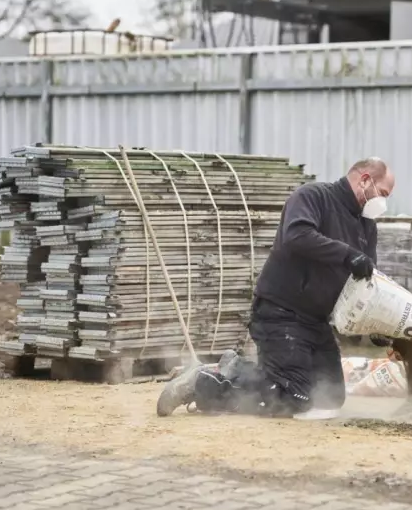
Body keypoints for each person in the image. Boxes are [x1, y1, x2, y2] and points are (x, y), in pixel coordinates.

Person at [157, 158, 396, 419]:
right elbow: (297, 236)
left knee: (330, 399)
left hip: (316, 323)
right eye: (382, 193)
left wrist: (377, 324)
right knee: (296, 398)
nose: (382, 203)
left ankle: (235, 369)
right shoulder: (313, 196)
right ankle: (203, 383)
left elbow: (366, 280)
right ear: (364, 180)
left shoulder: (366, 227)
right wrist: (348, 255)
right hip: (281, 314)